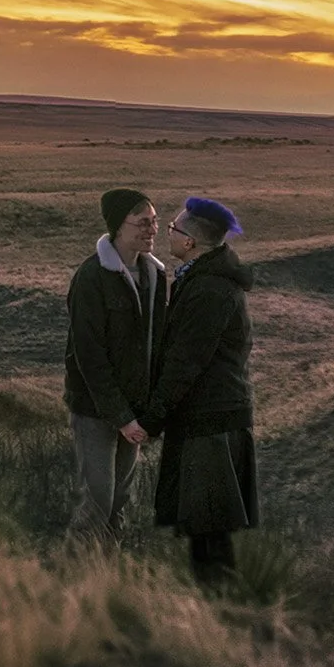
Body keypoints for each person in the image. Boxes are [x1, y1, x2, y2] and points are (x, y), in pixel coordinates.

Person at [139, 196, 257, 586]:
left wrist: (152, 419)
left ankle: (221, 616)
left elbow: (185, 362)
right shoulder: (207, 280)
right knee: (206, 528)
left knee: (208, 529)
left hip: (209, 421)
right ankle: (218, 613)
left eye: (172, 229)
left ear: (189, 241)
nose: (166, 234)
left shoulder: (208, 289)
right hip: (210, 416)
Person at [63, 187, 168, 542]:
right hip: (95, 409)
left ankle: (109, 579)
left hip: (134, 409)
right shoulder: (91, 279)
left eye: (155, 222)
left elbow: (155, 346)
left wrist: (147, 413)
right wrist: (121, 418)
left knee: (119, 502)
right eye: (142, 223)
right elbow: (89, 357)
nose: (152, 230)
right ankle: (75, 582)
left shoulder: (155, 277)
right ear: (117, 227)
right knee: (96, 502)